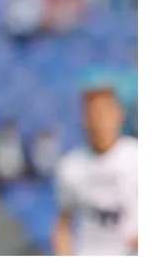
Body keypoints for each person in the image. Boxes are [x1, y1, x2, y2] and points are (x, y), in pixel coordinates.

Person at [52, 86, 138, 256]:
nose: (101, 121)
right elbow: (63, 225)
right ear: (85, 119)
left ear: (119, 115)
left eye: (106, 112)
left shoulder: (138, 157)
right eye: (95, 114)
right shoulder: (70, 167)